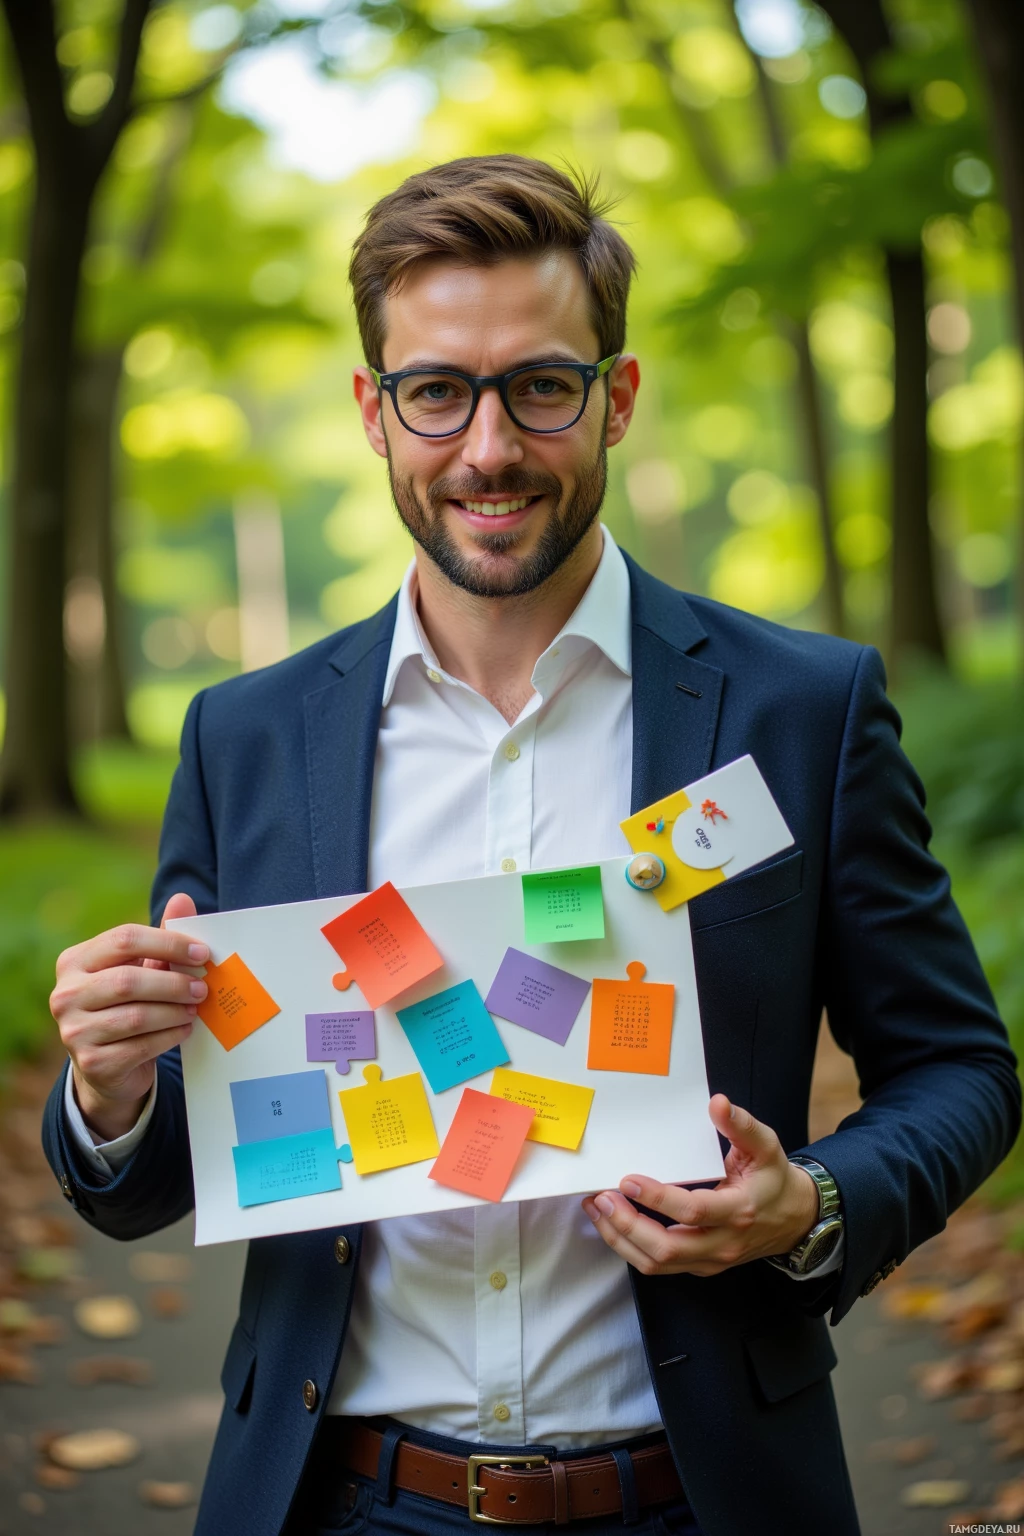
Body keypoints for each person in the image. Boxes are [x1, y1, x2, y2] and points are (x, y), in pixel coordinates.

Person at [44, 155, 1019, 1536]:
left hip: (701, 1494)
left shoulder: (801, 714)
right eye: (438, 390)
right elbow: (154, 1180)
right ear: (375, 416)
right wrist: (114, 1087)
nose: (488, 446)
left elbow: (962, 1069)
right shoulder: (244, 738)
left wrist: (806, 1207)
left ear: (614, 396)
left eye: (539, 387)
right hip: (337, 1498)